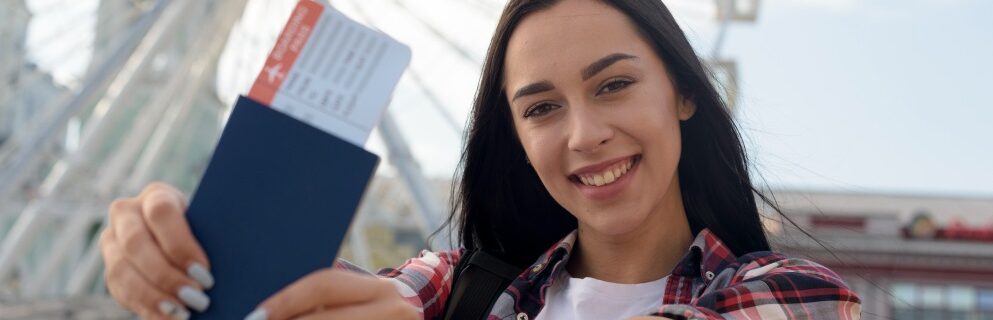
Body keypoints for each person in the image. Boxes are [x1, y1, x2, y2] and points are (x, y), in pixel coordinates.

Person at [100, 0, 863, 319]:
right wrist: (190, 256)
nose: (583, 134)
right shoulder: (451, 286)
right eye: (539, 108)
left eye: (615, 84)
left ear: (685, 94)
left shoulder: (792, 294)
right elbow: (335, 299)